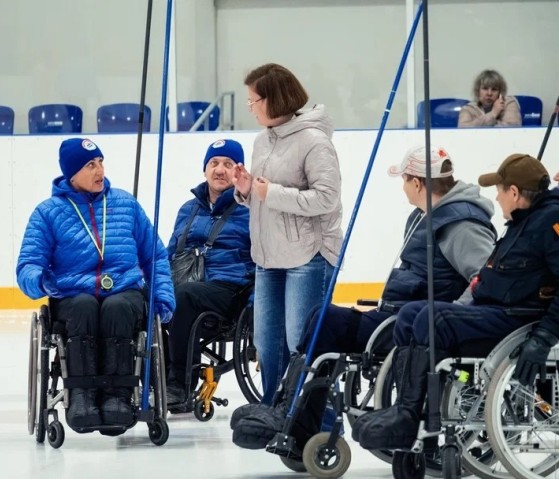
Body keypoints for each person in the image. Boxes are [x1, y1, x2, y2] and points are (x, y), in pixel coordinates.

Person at [230, 145, 497, 451]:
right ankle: (294, 414)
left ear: (417, 183)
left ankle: (293, 416)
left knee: (326, 322)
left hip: (418, 326)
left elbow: (483, 278)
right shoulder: (424, 217)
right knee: (322, 317)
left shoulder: (460, 225)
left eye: (404, 180)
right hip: (398, 316)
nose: (403, 188)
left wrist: (450, 316)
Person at [352, 153, 559, 451]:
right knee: (411, 314)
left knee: (433, 318)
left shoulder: (548, 223)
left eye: (499, 190)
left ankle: (411, 416)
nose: (496, 198)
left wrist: (543, 338)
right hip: (496, 309)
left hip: (517, 318)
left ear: (514, 192)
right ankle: (406, 408)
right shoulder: (522, 222)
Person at [16, 138, 175, 432]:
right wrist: (39, 280)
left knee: (118, 308)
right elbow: (27, 264)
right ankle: (82, 396)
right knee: (84, 307)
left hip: (123, 289)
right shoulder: (47, 213)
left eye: (101, 162)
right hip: (73, 294)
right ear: (71, 173)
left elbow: (155, 256)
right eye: (90, 165)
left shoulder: (126, 204)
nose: (99, 170)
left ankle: (118, 396)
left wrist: (163, 296)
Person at [231, 63, 344, 405]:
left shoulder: (314, 142)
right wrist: (246, 190)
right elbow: (264, 196)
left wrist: (272, 193)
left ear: (274, 99)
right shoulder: (262, 141)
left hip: (308, 257)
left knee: (302, 343)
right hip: (268, 257)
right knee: (267, 345)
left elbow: (326, 198)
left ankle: (315, 419)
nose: (250, 107)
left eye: (253, 100)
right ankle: (273, 413)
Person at [165, 139, 254, 410]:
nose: (220, 170)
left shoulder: (251, 209)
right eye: (214, 163)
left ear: (239, 171)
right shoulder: (188, 209)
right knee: (142, 296)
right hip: (187, 284)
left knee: (184, 296)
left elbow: (264, 262)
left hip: (230, 288)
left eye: (228, 164)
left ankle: (179, 384)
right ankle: (147, 380)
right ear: (205, 169)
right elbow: (171, 252)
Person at [458, 69, 522, 127]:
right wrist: (493, 114)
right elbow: (462, 130)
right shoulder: (468, 109)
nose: (489, 93)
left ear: (500, 92)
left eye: (494, 89)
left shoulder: (509, 103)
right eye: (485, 88)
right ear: (478, 91)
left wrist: (478, 124)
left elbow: (513, 127)